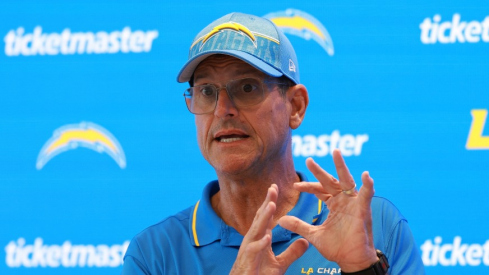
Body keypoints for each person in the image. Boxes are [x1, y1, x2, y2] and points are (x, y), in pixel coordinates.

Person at [122, 12, 425, 274]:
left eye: (247, 87)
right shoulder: (153, 255)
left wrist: (362, 271)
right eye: (206, 91)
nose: (222, 109)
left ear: (295, 106)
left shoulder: (375, 226)